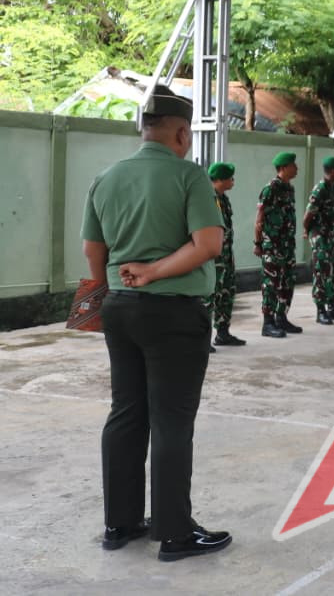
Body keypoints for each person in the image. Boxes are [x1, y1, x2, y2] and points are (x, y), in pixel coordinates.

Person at [81, 85, 233, 561]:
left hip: (119, 308)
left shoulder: (106, 177)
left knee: (126, 412)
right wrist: (154, 271)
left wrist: (114, 290)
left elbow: (93, 253)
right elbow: (208, 245)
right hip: (173, 312)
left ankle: (119, 524)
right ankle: (174, 533)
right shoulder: (189, 177)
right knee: (171, 420)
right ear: (182, 133)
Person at [254, 152, 300, 338]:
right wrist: (257, 243)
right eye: (293, 165)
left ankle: (281, 317)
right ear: (283, 168)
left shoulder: (289, 188)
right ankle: (268, 323)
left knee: (287, 282)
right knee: (271, 284)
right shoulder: (270, 189)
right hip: (272, 245)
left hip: (287, 245)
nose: (296, 168)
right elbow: (259, 219)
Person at [204, 162, 245, 351]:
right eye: (230, 178)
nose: (233, 181)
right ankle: (203, 338)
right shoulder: (207, 199)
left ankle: (222, 333)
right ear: (219, 180)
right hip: (212, 258)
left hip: (226, 256)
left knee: (227, 294)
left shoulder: (223, 199)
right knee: (209, 297)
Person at [303, 157, 334, 325]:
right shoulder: (320, 189)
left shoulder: (333, 188)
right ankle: (320, 310)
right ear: (333, 171)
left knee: (333, 272)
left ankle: (332, 307)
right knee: (321, 272)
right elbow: (308, 214)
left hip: (331, 236)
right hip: (320, 237)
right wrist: (306, 230)